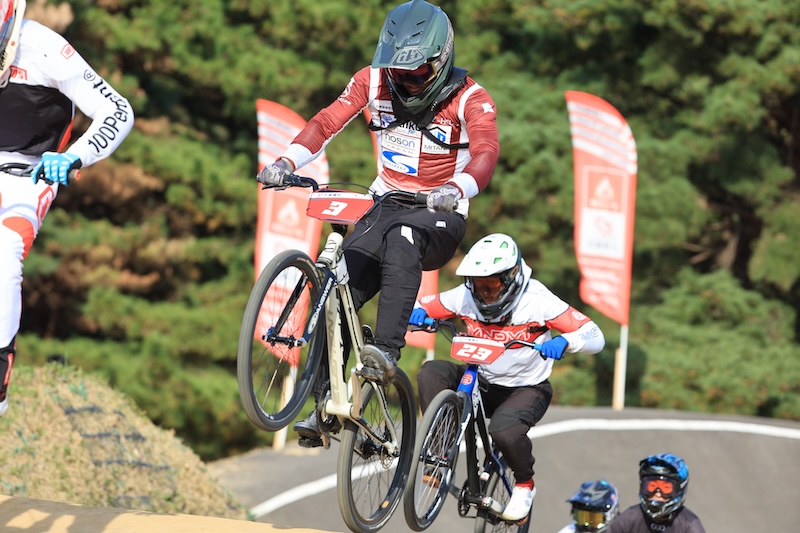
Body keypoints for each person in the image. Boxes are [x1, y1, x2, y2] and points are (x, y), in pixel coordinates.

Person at [257, 0, 499, 445]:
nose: (404, 83)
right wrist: (286, 160)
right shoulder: (371, 80)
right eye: (397, 72)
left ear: (441, 61)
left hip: (437, 212)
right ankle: (323, 404)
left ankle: (386, 352)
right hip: (384, 201)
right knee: (338, 288)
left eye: (415, 74)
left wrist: (458, 188)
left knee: (403, 238)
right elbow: (326, 121)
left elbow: (486, 153)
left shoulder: (471, 98)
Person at [410, 233, 606, 522]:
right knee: (431, 372)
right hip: (479, 380)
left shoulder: (538, 301)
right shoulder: (465, 296)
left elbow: (594, 335)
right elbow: (426, 304)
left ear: (512, 277)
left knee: (503, 431)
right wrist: (418, 312)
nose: (485, 293)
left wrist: (565, 342)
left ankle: (525, 484)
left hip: (526, 389)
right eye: (479, 286)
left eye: (492, 285)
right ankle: (438, 456)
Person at [0, 0, 134, 417]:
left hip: (29, 174)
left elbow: (118, 110)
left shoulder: (43, 47)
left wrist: (75, 157)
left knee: (5, 253)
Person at [608, 453, 706, 532]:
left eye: (666, 488)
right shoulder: (629, 517)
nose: (658, 493)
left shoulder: (690, 525)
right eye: (652, 486)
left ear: (679, 489)